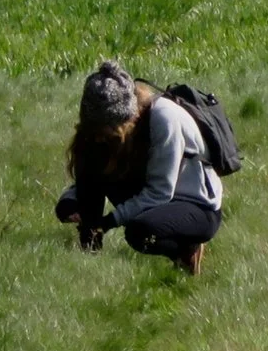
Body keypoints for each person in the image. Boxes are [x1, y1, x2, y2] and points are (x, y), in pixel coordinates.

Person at [56, 59, 223, 275]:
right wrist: (72, 201)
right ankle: (88, 262)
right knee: (90, 159)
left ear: (130, 119)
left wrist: (110, 221)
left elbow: (160, 192)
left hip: (194, 204)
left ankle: (186, 249)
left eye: (107, 133)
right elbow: (93, 175)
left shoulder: (165, 118)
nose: (98, 138)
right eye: (93, 130)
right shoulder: (100, 135)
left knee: (141, 232)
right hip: (154, 194)